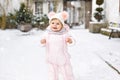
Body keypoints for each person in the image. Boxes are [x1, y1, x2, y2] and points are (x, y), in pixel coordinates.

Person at [40, 11, 75, 80]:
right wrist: (43, 42)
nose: (54, 25)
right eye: (52, 23)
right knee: (52, 73)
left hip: (63, 58)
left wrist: (70, 40)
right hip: (51, 58)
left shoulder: (64, 33)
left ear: (62, 25)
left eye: (58, 23)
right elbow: (42, 41)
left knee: (67, 72)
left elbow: (72, 39)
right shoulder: (47, 33)